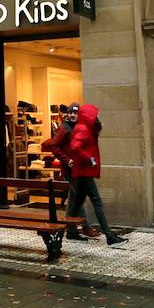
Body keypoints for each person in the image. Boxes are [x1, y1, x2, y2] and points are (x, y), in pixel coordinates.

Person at [67, 104, 125, 247]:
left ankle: (71, 231)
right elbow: (75, 147)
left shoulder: (85, 128)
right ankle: (109, 236)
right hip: (84, 171)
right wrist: (88, 158)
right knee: (96, 201)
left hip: (82, 171)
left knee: (77, 203)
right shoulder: (84, 129)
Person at [43, 103, 94, 240]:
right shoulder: (64, 128)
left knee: (73, 199)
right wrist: (66, 160)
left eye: (75, 113)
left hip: (77, 168)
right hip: (70, 169)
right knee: (78, 198)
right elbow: (53, 145)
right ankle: (85, 227)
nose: (72, 115)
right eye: (71, 112)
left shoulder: (75, 127)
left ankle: (71, 230)